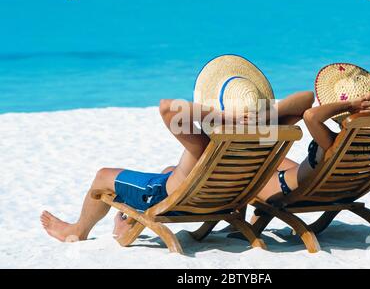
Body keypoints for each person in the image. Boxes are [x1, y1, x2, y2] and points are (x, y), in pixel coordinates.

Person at [40, 55, 315, 242]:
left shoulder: (203, 145)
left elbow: (167, 106)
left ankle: (78, 230)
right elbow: (306, 99)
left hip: (167, 194)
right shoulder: (266, 138)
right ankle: (128, 222)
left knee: (102, 177)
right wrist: (262, 116)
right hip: (226, 196)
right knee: (170, 169)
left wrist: (226, 117)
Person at [255, 63, 370, 203]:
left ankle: (243, 229)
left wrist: (350, 106)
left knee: (251, 164)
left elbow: (309, 111)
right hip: (340, 190)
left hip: (285, 188)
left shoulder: (333, 143)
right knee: (271, 155)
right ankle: (257, 119)